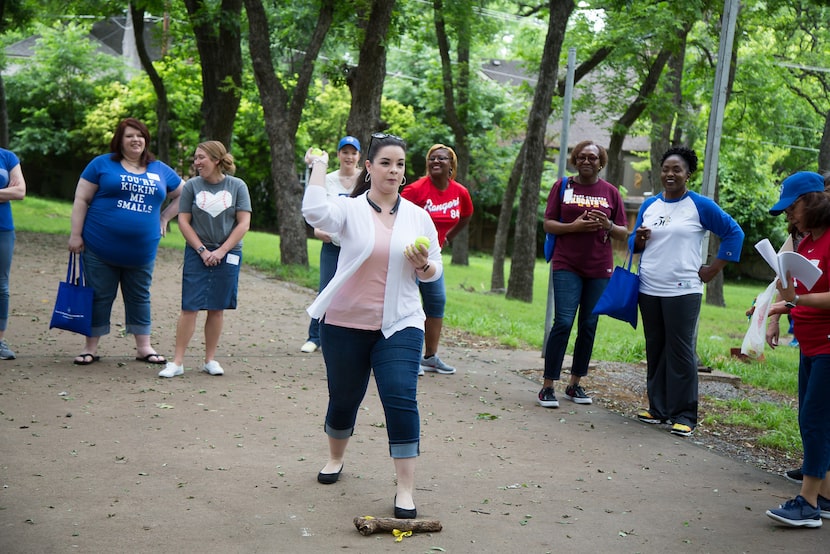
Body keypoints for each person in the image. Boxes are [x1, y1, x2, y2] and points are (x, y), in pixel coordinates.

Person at [301, 133, 442, 519]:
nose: (393, 171)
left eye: (399, 164)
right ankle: (335, 458)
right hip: (345, 323)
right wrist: (318, 166)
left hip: (401, 323)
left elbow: (434, 270)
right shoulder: (348, 210)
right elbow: (315, 213)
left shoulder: (418, 216)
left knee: (400, 395)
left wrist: (423, 266)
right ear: (369, 167)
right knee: (345, 398)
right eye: (385, 163)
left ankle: (406, 490)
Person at [630, 146, 744, 437]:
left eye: (676, 169)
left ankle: (685, 415)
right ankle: (658, 409)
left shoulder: (700, 205)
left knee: (680, 352)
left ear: (687, 174)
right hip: (649, 287)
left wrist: (713, 269)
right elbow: (634, 244)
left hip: (683, 290)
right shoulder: (650, 205)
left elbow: (734, 232)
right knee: (655, 347)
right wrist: (638, 239)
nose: (670, 174)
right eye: (666, 169)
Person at [68, 118, 183, 366]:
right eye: (129, 135)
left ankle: (144, 347)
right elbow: (81, 199)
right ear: (119, 140)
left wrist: (164, 217)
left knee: (140, 296)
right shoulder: (101, 164)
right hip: (99, 247)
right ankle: (90, 348)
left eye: (140, 135)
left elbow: (186, 194)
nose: (135, 140)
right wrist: (75, 235)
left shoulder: (160, 169)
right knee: (99, 295)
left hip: (141, 251)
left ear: (146, 140)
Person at [537, 141, 628, 408]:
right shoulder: (562, 187)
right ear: (575, 161)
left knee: (588, 325)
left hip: (599, 266)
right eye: (581, 157)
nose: (587, 161)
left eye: (593, 157)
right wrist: (574, 226)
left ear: (601, 163)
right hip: (567, 264)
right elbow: (548, 223)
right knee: (564, 321)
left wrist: (608, 224)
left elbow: (623, 231)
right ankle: (547, 386)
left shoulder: (611, 192)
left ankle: (575, 383)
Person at [764, 171, 830, 528]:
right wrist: (780, 308)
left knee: (815, 420)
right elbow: (798, 294)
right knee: (811, 417)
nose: (788, 215)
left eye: (792, 207)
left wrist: (797, 298)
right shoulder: (805, 243)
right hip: (810, 343)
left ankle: (807, 504)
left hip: (828, 346)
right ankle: (826, 495)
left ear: (813, 201)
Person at [159, 141, 251, 378]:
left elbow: (243, 223)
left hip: (228, 253)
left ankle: (210, 360)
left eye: (201, 158)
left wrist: (221, 252)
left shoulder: (237, 186)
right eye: (195, 158)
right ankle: (177, 362)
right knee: (189, 307)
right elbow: (183, 221)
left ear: (216, 160)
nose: (197, 162)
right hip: (196, 252)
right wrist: (202, 250)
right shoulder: (191, 186)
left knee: (216, 308)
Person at [400, 144, 473, 375]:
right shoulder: (415, 190)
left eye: (442, 158)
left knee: (436, 302)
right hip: (408, 256)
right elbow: (394, 214)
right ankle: (406, 357)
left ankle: (430, 357)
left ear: (452, 164)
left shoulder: (459, 192)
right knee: (408, 306)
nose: (436, 162)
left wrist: (448, 237)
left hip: (433, 257)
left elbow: (466, 215)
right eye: (432, 158)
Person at [300, 136, 361, 354]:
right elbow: (316, 207)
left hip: (357, 247)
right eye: (345, 152)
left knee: (356, 292)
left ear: (359, 156)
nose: (349, 157)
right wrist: (317, 230)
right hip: (333, 246)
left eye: (353, 153)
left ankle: (348, 337)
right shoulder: (327, 179)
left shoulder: (365, 179)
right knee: (326, 289)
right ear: (338, 155)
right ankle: (314, 337)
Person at [0, 148, 26, 359]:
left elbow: (20, 192)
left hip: (3, 229)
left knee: (1, 285)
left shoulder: (7, 157)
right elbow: (11, 191)